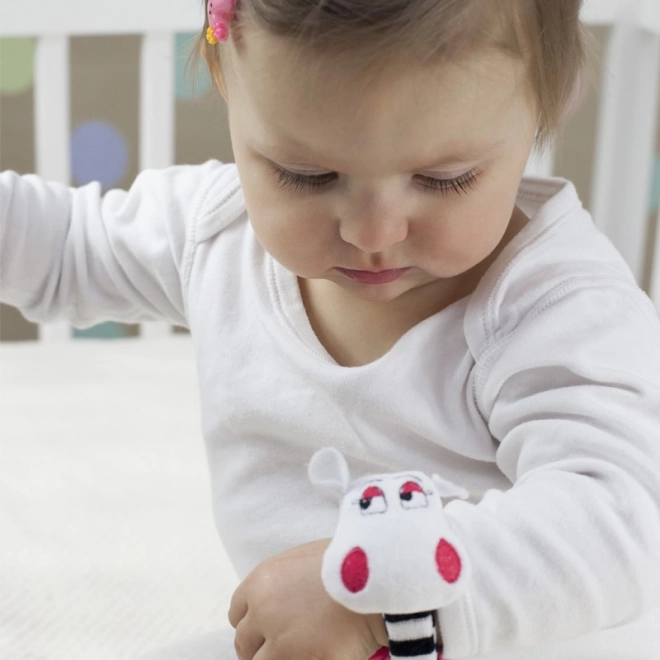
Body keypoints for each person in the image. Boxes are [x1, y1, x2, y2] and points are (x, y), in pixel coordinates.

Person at [1, 0, 659, 658]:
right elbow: (63, 245)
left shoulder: (556, 308)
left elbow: (623, 522)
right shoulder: (216, 235)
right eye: (306, 176)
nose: (372, 233)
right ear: (227, 79)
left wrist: (378, 599)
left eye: (443, 179)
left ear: (542, 105)